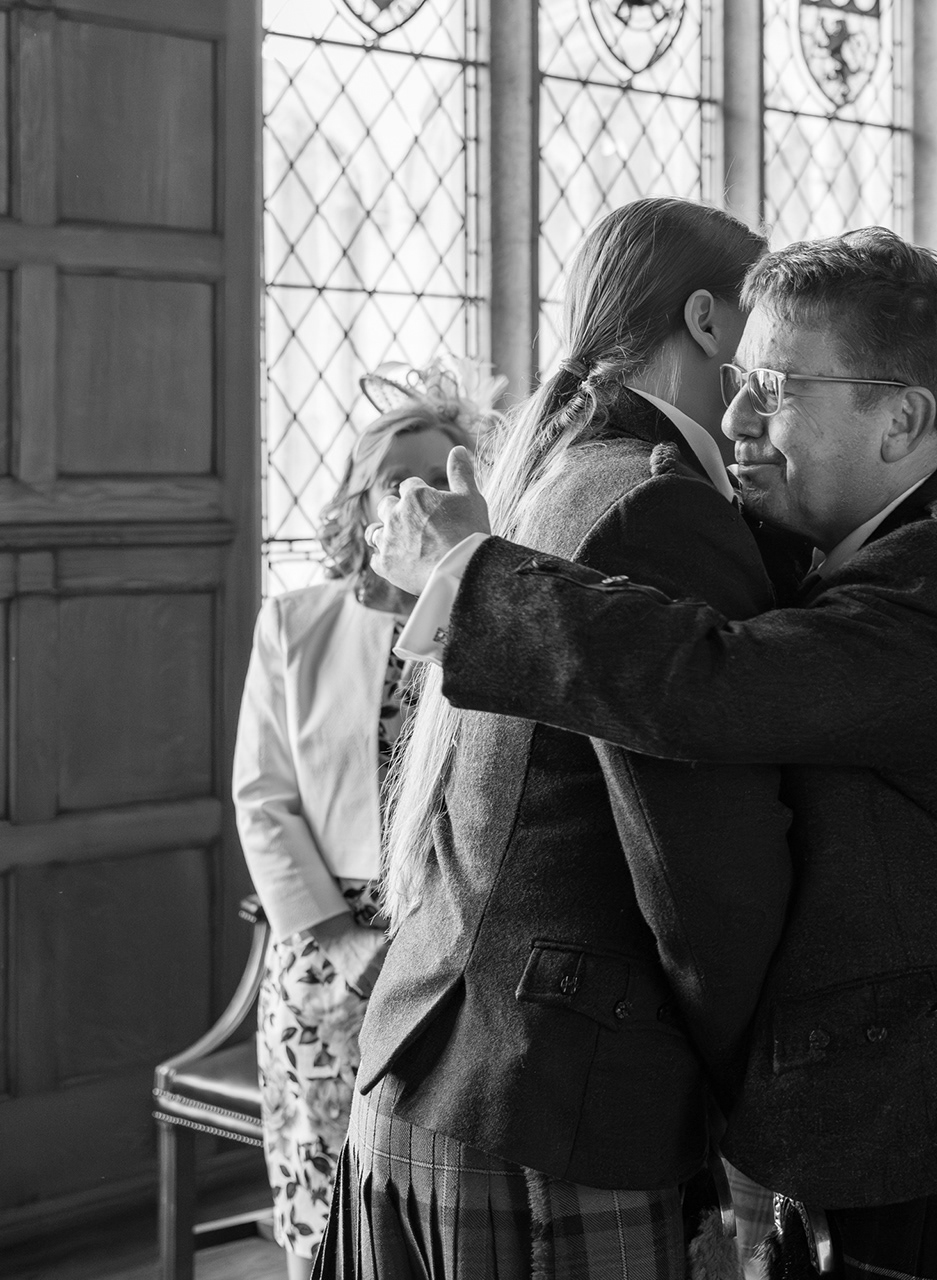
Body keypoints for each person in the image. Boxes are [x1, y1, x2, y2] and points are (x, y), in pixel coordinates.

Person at [367, 228, 937, 1277]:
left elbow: (716, 683)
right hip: (930, 1116)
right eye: (734, 381)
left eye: (773, 386)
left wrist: (472, 573)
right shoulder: (883, 540)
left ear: (901, 417)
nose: (733, 418)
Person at [319, 199, 793, 1278]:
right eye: (771, 333)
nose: (779, 375)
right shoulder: (657, 506)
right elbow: (700, 874)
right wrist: (752, 1105)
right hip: (551, 1098)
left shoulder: (563, 472)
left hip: (443, 1068)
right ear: (711, 321)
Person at [233, 361, 490, 1280]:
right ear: (364, 497)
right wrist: (339, 938)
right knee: (318, 1197)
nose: (418, 497)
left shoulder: (495, 624)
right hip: (323, 951)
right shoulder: (294, 624)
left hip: (454, 943)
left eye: (443, 478)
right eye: (398, 480)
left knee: (428, 1209)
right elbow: (261, 798)